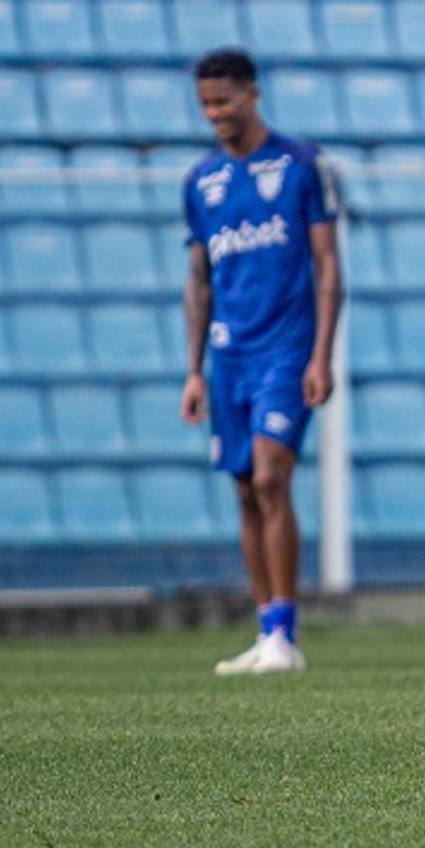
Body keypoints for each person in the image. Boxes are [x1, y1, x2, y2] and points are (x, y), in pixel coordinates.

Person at [179, 48, 341, 675]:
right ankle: (267, 630)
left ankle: (287, 633)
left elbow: (327, 263)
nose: (215, 114)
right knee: (245, 487)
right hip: (228, 355)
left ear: (252, 94)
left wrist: (321, 354)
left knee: (274, 477)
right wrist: (194, 369)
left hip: (287, 348)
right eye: (206, 105)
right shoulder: (202, 180)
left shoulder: (302, 165)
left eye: (224, 100)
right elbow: (199, 278)